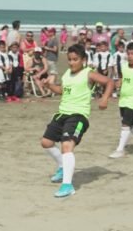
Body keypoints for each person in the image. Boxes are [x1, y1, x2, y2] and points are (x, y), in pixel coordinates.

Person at [41, 44, 113, 198]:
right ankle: (62, 165)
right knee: (46, 143)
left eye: (75, 59)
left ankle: (67, 185)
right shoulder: (67, 74)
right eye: (69, 60)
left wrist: (105, 98)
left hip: (78, 115)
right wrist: (50, 85)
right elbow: (62, 91)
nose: (72, 63)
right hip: (62, 114)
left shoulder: (89, 73)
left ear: (83, 60)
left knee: (67, 146)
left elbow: (109, 82)